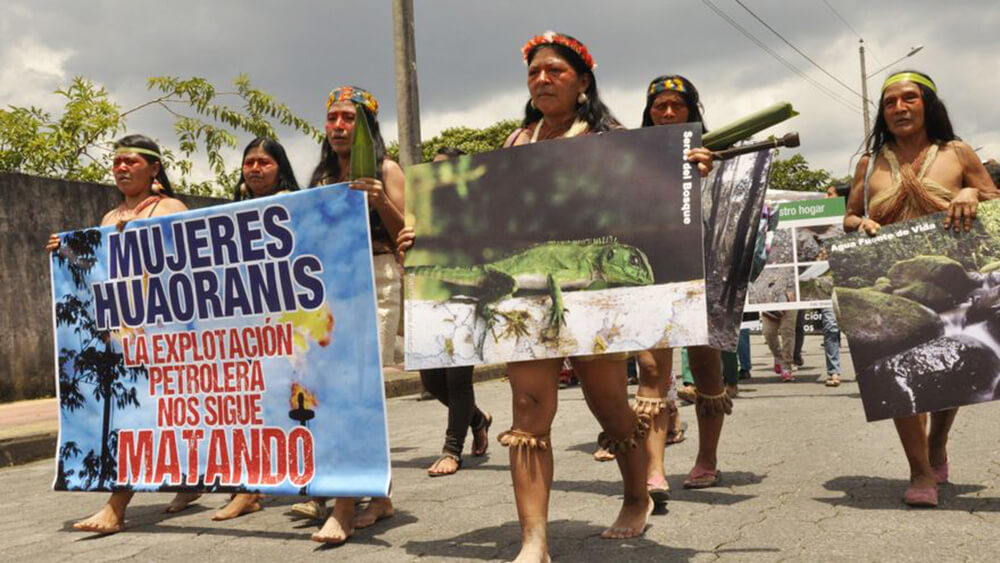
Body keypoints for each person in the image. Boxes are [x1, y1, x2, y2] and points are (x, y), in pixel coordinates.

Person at [493, 32, 659, 561]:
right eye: (534, 72)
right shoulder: (514, 144)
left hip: (594, 287)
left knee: (608, 402)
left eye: (555, 71)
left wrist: (687, 168)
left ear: (582, 81)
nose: (542, 79)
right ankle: (534, 540)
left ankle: (636, 497)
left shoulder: (612, 139)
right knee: (528, 407)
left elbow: (652, 195)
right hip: (533, 288)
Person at [844, 70, 998, 507]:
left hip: (950, 271)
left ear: (927, 105)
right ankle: (919, 470)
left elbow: (992, 198)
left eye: (909, 98)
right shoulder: (870, 163)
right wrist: (862, 222)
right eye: (890, 102)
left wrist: (970, 193)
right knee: (902, 370)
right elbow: (849, 216)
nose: (899, 108)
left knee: (950, 375)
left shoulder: (957, 152)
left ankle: (937, 442)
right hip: (896, 278)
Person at [49, 134, 192, 534]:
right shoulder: (109, 217)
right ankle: (184, 485)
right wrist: (67, 251)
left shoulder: (170, 208)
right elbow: (100, 271)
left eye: (131, 161)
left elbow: (185, 261)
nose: (122, 168)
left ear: (154, 168)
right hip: (123, 332)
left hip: (164, 330)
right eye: (117, 163)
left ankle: (117, 506)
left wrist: (146, 236)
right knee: (137, 415)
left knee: (154, 413)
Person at [599, 74, 729, 499]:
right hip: (654, 274)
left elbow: (728, 216)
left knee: (706, 369)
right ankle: (654, 470)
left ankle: (706, 459)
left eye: (678, 105)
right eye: (660, 106)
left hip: (702, 272)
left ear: (692, 110)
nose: (669, 113)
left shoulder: (717, 154)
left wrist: (707, 174)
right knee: (652, 370)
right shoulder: (632, 159)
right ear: (649, 112)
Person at [304, 85, 403, 543]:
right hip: (331, 286)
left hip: (377, 277)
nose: (340, 126)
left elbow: (408, 233)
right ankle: (379, 495)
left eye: (349, 119)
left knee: (357, 389)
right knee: (337, 390)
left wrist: (380, 198)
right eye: (333, 118)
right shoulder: (323, 177)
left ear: (367, 127)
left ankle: (345, 506)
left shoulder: (386, 168)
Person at [210, 137, 301, 521]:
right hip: (246, 326)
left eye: (264, 162)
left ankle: (277, 482)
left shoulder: (297, 205)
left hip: (288, 323)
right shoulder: (232, 212)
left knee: (284, 402)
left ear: (280, 167)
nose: (255, 168)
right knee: (247, 405)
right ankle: (248, 487)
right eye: (249, 162)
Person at [397, 147, 494, 477]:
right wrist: (405, 248)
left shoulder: (476, 208)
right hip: (430, 297)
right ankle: (478, 419)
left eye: (447, 168)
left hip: (468, 294)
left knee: (457, 378)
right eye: (434, 168)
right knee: (432, 381)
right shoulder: (420, 211)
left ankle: (452, 450)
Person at [761, 309, 795, 382]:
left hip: (789, 305)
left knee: (787, 332)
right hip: (769, 306)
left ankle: (786, 366)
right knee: (768, 333)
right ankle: (778, 357)